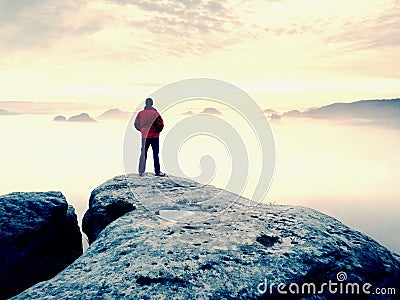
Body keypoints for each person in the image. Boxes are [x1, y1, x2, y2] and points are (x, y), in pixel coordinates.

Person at [134, 98, 166, 176]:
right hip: (154, 136)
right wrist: (157, 131)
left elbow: (136, 124)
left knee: (143, 154)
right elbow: (161, 124)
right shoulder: (155, 113)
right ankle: (157, 172)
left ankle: (141, 172)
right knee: (155, 154)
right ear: (152, 104)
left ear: (145, 104)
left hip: (145, 136)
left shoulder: (140, 113)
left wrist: (142, 130)